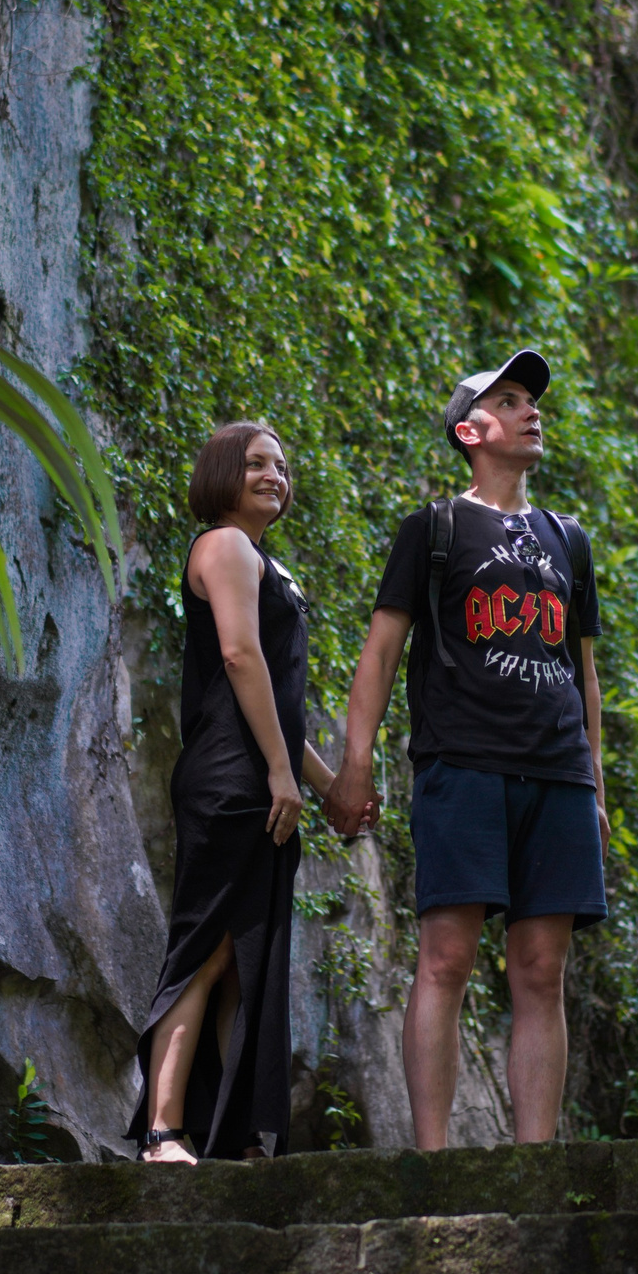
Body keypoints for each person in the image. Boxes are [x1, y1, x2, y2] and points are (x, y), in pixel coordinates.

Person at [328, 350, 606, 1150]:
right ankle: (434, 1159)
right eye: (509, 400)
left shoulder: (569, 540)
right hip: (462, 763)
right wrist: (355, 762)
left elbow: (584, 673)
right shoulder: (435, 529)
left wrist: (595, 786)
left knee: (541, 969)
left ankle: (534, 1161)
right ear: (469, 430)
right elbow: (382, 651)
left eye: (532, 401)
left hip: (557, 772)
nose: (530, 411)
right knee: (446, 957)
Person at [129, 421, 375, 1163]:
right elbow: (239, 658)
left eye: (282, 465)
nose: (275, 475)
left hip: (256, 773)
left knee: (241, 957)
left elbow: (275, 698)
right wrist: (276, 771)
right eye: (257, 463)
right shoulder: (224, 544)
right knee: (207, 949)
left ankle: (225, 1134)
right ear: (222, 475)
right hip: (230, 779)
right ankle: (163, 1131)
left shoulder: (262, 560)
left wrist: (326, 788)